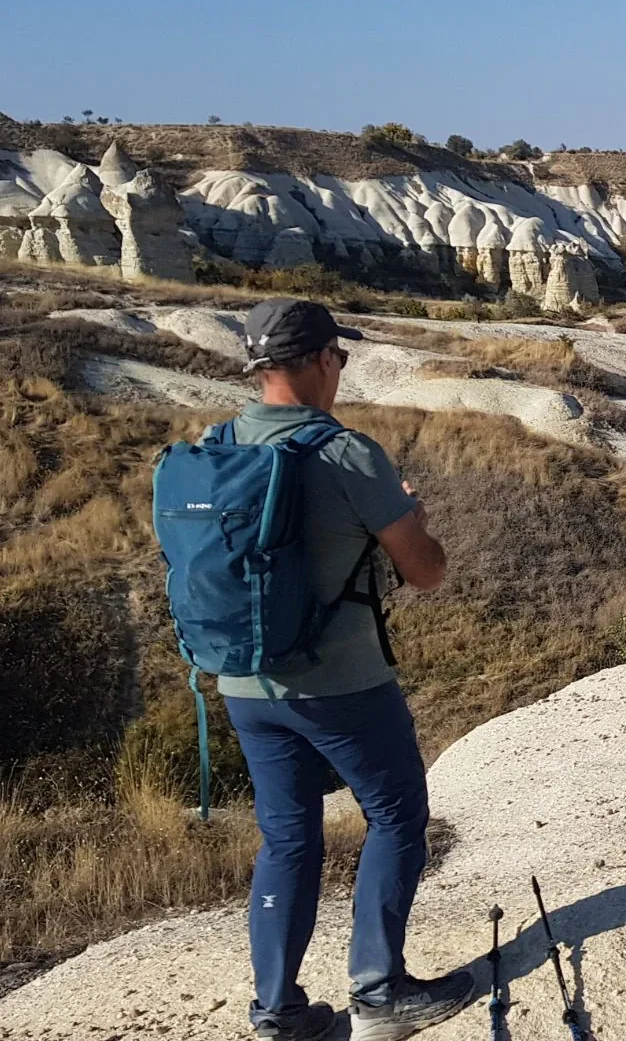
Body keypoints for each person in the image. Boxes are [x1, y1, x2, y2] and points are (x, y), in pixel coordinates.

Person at [217, 299, 473, 1041]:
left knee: (288, 837)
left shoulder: (219, 442)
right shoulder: (347, 453)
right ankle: (380, 991)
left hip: (243, 682)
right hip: (341, 681)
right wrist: (409, 520)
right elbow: (425, 573)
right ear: (325, 359)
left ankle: (276, 1014)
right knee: (397, 817)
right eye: (341, 358)